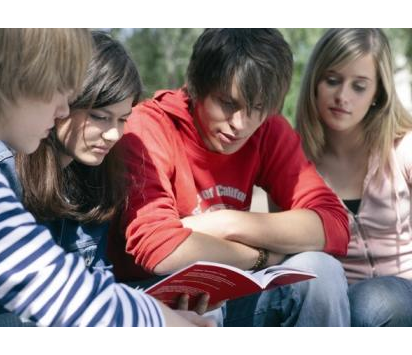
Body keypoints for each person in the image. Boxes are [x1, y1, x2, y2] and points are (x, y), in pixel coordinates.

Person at [0, 28, 214, 327]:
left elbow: (87, 285)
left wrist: (162, 310)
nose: (61, 109)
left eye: (123, 119)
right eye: (99, 116)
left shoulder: (96, 175)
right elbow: (51, 291)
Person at [107, 28, 351, 327]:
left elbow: (334, 225)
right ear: (197, 86)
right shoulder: (148, 127)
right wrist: (263, 258)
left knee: (320, 270)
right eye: (228, 103)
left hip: (226, 295)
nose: (241, 124)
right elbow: (160, 251)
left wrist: (226, 224)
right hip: (153, 300)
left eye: (258, 108)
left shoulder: (267, 130)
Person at [296, 28, 412, 327]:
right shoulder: (295, 163)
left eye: (359, 86)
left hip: (403, 294)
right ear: (314, 83)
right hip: (339, 302)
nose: (342, 96)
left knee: (377, 303)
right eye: (332, 81)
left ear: (378, 94)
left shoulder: (403, 147)